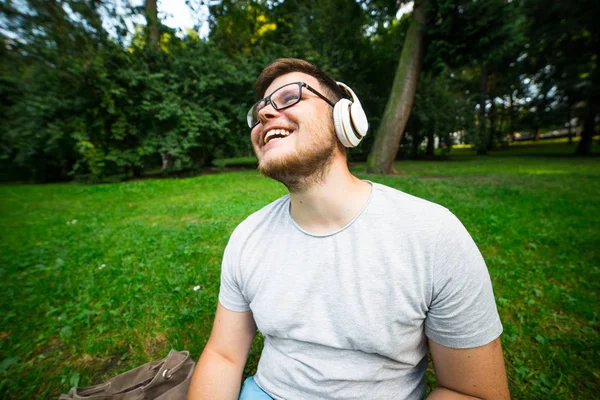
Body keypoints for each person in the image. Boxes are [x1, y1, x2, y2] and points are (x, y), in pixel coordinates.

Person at [187, 58, 509, 400]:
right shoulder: (247, 238)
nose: (265, 114)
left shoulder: (433, 235)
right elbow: (224, 356)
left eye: (288, 98)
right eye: (261, 109)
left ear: (345, 119)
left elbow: (472, 392)